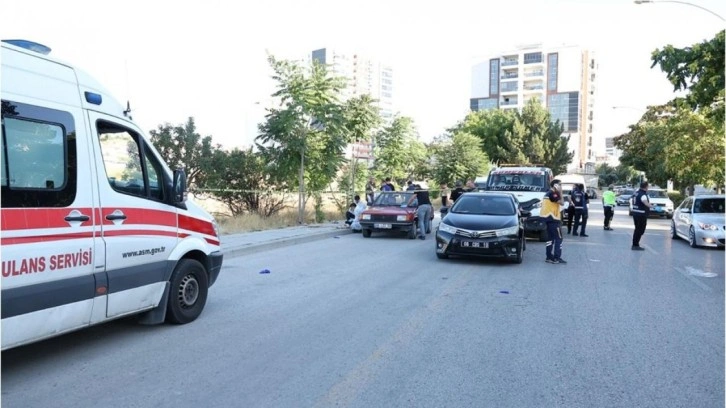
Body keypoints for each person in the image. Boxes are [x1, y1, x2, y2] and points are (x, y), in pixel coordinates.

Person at [541, 179, 566, 264]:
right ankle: (556, 258)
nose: (561, 186)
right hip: (553, 219)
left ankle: (549, 257)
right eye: (560, 185)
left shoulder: (548, 193)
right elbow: (562, 203)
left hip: (548, 219)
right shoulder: (553, 194)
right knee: (559, 238)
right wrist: (561, 193)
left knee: (550, 239)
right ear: (555, 185)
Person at [631, 181, 655, 250]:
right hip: (641, 214)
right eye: (648, 186)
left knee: (637, 229)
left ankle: (635, 244)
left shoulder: (636, 193)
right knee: (640, 230)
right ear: (646, 187)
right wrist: (653, 207)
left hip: (635, 213)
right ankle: (635, 245)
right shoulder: (643, 195)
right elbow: (646, 203)